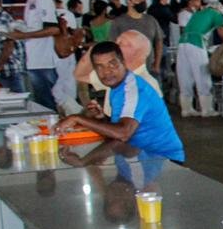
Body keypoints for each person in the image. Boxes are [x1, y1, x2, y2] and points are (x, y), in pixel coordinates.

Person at [56, 41, 184, 162]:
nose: (107, 71)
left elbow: (123, 133)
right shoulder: (118, 86)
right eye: (100, 67)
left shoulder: (133, 90)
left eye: (112, 64)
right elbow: (120, 128)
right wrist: (100, 119)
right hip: (136, 155)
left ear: (123, 62)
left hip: (161, 159)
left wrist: (77, 118)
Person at [6, 0, 61, 110]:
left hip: (43, 62)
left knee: (47, 105)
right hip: (32, 60)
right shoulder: (30, 0)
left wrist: (24, 35)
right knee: (40, 103)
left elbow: (53, 29)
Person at [176, 0, 223, 117]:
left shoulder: (198, 14)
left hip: (182, 44)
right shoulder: (216, 14)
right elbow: (221, 31)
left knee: (185, 76)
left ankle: (186, 109)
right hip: (196, 43)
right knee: (202, 76)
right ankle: (207, 110)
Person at [109, 0, 165, 79]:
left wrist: (157, 65)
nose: (142, 3)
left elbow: (159, 41)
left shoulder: (151, 20)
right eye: (139, 0)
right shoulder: (118, 22)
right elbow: (113, 46)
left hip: (149, 69)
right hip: (127, 71)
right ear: (129, 2)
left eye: (144, 0)